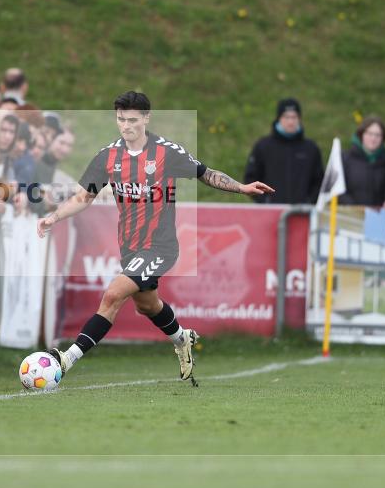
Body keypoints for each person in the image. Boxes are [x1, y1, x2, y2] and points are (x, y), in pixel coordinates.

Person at [38, 91, 273, 384]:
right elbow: (84, 196)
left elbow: (205, 173)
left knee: (112, 295)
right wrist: (54, 216)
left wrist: (242, 187)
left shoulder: (166, 152)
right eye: (121, 119)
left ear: (147, 118)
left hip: (160, 246)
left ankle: (66, 360)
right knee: (147, 305)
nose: (126, 126)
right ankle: (182, 338)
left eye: (133, 120)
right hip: (129, 247)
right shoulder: (108, 156)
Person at [244, 97, 324, 204]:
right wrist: (265, 201)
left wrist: (309, 202)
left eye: (294, 117)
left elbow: (319, 181)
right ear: (279, 118)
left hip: (302, 213)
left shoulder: (311, 148)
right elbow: (251, 178)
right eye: (286, 117)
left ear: (299, 119)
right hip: (270, 213)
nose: (290, 121)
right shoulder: (263, 146)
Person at [340, 117, 385, 207]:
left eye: (378, 135)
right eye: (369, 133)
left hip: (379, 216)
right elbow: (338, 189)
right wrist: (354, 208)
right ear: (361, 134)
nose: (373, 138)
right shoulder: (345, 158)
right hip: (350, 215)